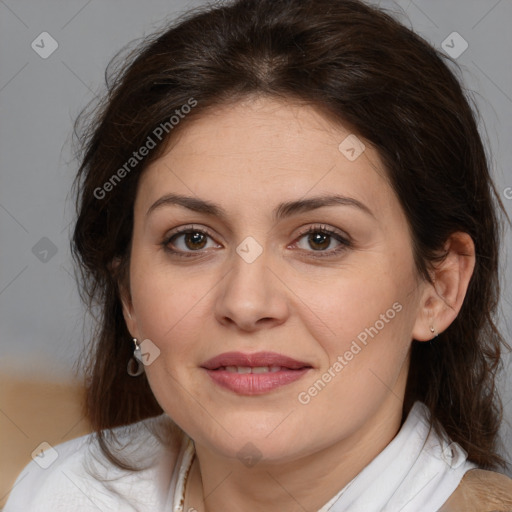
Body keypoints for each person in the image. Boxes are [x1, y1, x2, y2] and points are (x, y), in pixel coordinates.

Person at [5, 0, 512, 510]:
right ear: (127, 292)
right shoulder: (59, 492)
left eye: (320, 239)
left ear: (439, 289)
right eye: (192, 239)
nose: (246, 304)